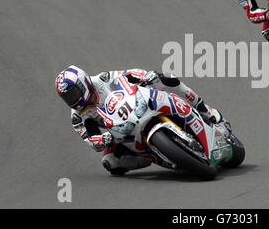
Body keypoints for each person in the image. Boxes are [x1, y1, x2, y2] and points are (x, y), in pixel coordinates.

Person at [55, 65, 223, 175]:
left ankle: (204, 109)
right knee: (110, 162)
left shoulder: (101, 79)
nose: (72, 100)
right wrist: (102, 139)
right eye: (67, 98)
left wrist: (145, 76)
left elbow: (127, 74)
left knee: (166, 78)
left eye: (73, 93)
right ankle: (153, 156)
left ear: (83, 82)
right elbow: (89, 139)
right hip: (119, 131)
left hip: (136, 104)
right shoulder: (78, 116)